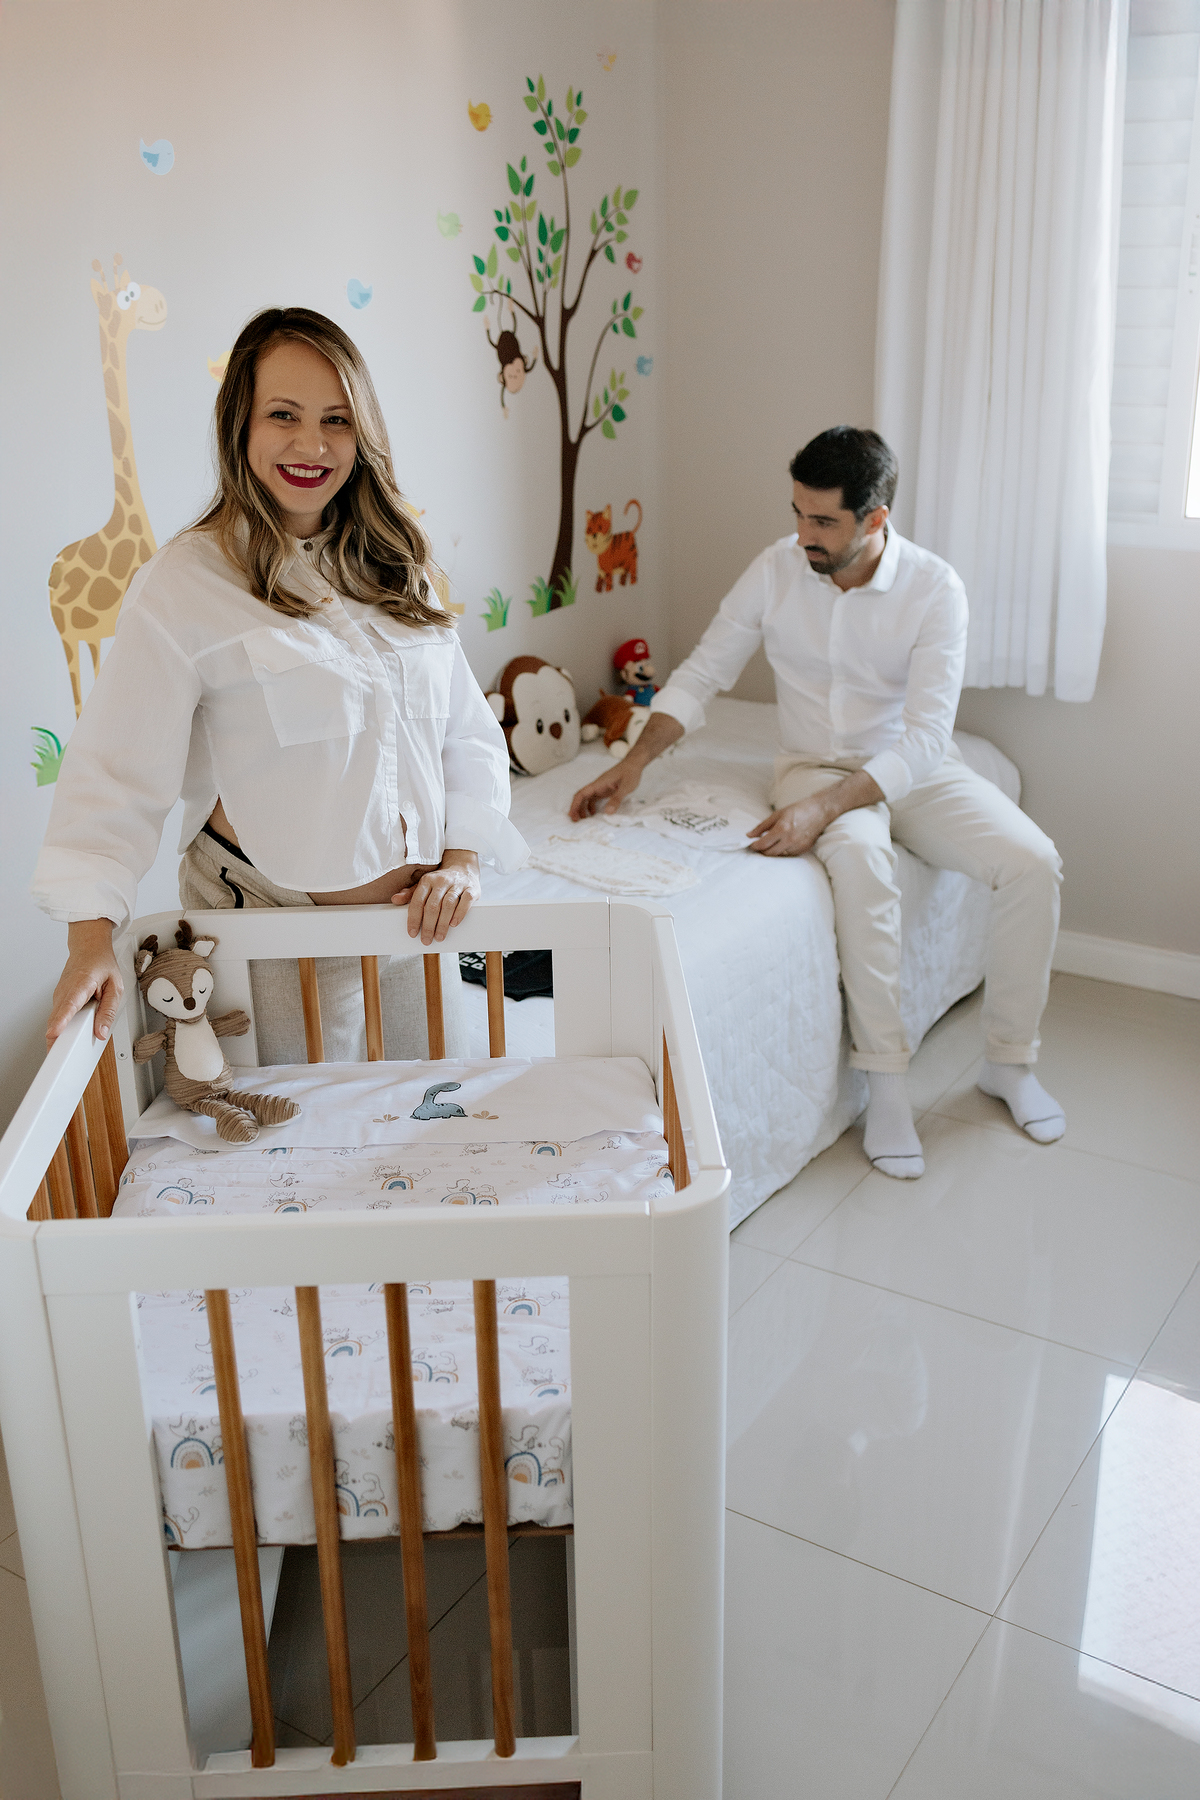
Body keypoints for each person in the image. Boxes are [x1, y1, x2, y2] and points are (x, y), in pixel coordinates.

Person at [570, 426, 1064, 1179]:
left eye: (824, 520)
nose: (804, 533)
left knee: (1034, 863)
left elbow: (926, 738)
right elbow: (703, 674)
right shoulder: (776, 568)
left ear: (876, 517)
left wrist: (825, 809)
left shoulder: (935, 589)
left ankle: (1010, 1062)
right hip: (811, 762)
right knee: (863, 868)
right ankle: (887, 1085)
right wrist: (634, 761)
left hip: (916, 766)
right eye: (798, 512)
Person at [37, 306, 527, 1055]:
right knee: (289, 1124)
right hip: (269, 927)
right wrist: (89, 938)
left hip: (415, 927)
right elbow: (116, 770)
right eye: (284, 415)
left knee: (435, 1108)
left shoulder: (397, 566)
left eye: (336, 420)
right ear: (241, 423)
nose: (312, 445)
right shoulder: (187, 583)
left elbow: (463, 729)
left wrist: (462, 861)